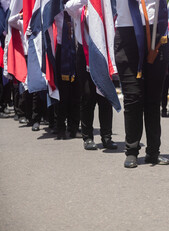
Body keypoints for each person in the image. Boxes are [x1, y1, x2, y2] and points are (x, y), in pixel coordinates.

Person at [114, 0, 169, 168]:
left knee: (153, 99)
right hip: (128, 33)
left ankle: (153, 152)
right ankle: (131, 151)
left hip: (156, 33)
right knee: (133, 97)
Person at [65, 0, 118, 150]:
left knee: (105, 96)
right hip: (85, 54)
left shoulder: (106, 7)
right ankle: (87, 137)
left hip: (102, 54)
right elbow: (68, 7)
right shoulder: (80, 8)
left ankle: (106, 137)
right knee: (87, 96)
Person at [54, 8, 81, 139]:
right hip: (61, 51)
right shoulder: (55, 9)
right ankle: (60, 127)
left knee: (76, 92)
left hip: (76, 49)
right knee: (63, 94)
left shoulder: (75, 7)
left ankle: (74, 127)